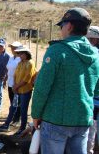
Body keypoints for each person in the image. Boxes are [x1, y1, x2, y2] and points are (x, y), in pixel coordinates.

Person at [31, 8, 99, 154]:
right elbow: (96, 89)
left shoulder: (57, 50)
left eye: (62, 25)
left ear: (69, 26)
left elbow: (42, 88)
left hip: (56, 120)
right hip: (83, 119)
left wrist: (36, 114)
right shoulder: (95, 54)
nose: (61, 29)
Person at [0, 46, 36, 135]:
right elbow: (16, 75)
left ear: (26, 54)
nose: (19, 55)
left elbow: (27, 78)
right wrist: (15, 85)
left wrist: (16, 86)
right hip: (18, 90)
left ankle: (22, 128)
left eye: (21, 53)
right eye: (19, 53)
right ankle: (7, 124)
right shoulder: (20, 63)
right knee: (13, 107)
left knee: (23, 110)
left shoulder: (30, 63)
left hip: (25, 91)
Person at [0, 42, 24, 132]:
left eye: (13, 48)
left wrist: (17, 84)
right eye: (11, 48)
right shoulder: (12, 58)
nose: (12, 49)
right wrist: (5, 79)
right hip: (10, 83)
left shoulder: (20, 59)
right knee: (12, 101)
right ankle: (14, 118)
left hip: (17, 85)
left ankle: (17, 120)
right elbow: (8, 69)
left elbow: (21, 73)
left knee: (17, 103)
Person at [86, 26, 99, 154]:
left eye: (88, 39)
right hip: (94, 100)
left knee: (90, 133)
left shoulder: (92, 55)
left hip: (93, 101)